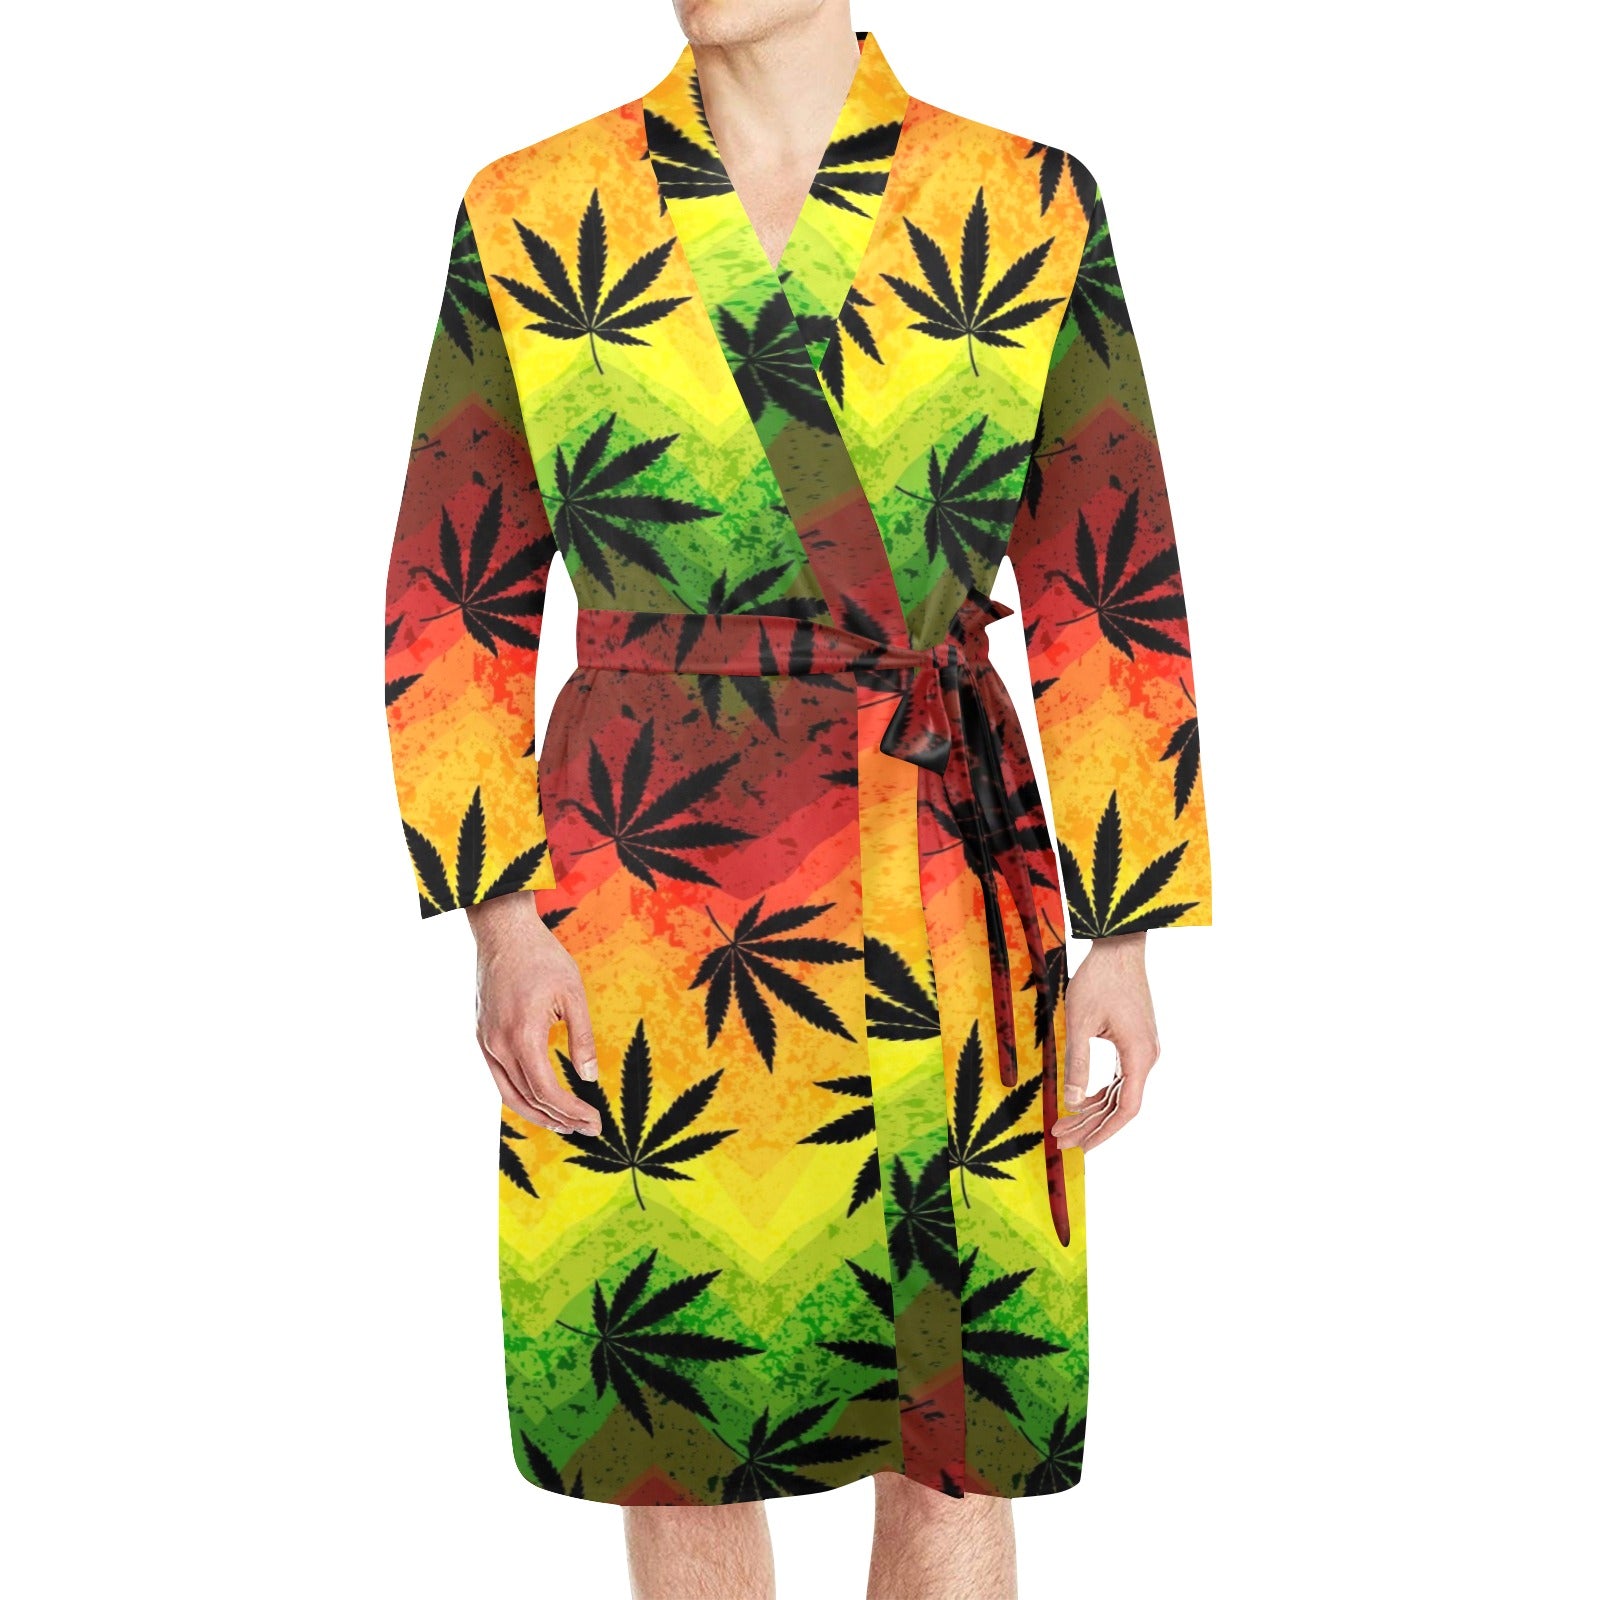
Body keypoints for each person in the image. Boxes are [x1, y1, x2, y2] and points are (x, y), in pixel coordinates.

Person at [381, 1, 1211, 1594]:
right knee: (676, 1416)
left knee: (956, 1415)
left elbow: (1109, 583)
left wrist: (1126, 932)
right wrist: (499, 918)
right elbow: (450, 593)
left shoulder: (1025, 201)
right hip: (642, 885)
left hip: (941, 870)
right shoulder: (534, 209)